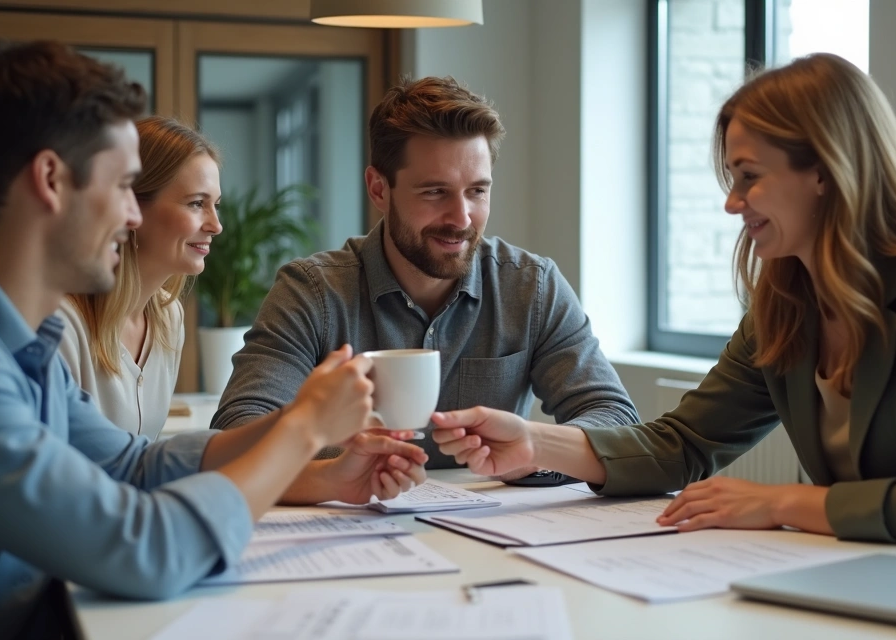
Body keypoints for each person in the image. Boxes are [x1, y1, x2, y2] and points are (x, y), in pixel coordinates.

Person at [0, 41, 425, 639]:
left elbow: (131, 464)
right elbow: (143, 552)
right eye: (126, 185)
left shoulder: (15, 334)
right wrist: (303, 430)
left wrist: (311, 438)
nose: (133, 215)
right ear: (50, 180)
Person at [431, 53, 896, 561]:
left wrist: (783, 502)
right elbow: (680, 445)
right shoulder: (787, 299)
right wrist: (536, 442)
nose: (732, 203)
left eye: (749, 176)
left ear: (824, 170)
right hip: (885, 575)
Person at [210, 76, 640, 473]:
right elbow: (238, 428)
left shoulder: (531, 286)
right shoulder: (313, 292)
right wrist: (338, 452)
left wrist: (535, 444)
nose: (461, 217)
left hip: (495, 539)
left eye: (477, 191)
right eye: (435, 192)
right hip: (350, 530)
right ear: (380, 189)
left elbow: (615, 419)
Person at [57, 116, 219, 440]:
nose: (216, 225)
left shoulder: (168, 318)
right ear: (131, 206)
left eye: (216, 205)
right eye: (197, 203)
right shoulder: (63, 325)